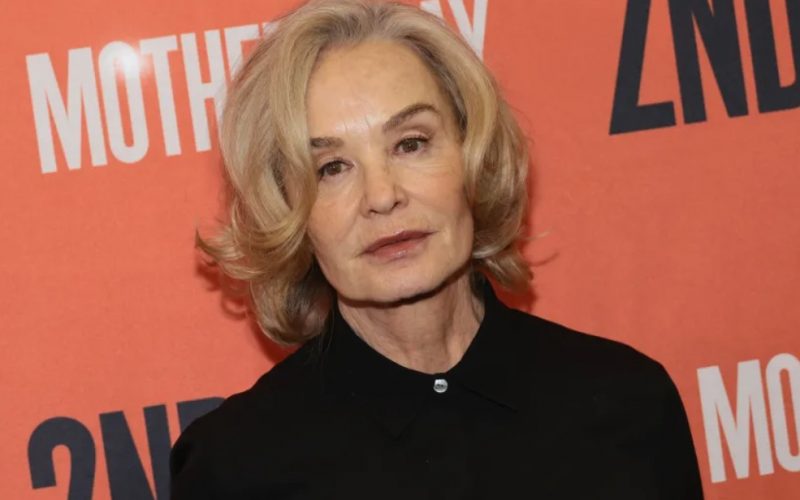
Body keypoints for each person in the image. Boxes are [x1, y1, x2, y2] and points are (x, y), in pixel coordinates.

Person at [169, 0, 705, 498]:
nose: (382, 196)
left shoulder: (626, 404)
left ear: (473, 155)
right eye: (331, 168)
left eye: (411, 143)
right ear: (287, 210)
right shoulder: (235, 468)